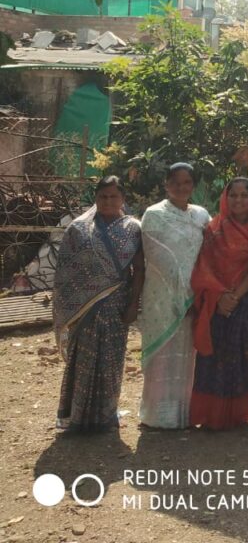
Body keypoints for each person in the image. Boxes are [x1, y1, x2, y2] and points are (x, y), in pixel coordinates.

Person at [53, 176, 144, 433]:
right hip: (84, 309)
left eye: (114, 196)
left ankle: (105, 415)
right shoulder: (79, 229)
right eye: (103, 196)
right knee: (82, 359)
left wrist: (133, 304)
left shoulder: (133, 229)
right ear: (96, 198)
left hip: (117, 305)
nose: (108, 201)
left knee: (111, 360)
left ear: (123, 199)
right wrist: (71, 305)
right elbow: (65, 272)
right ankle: (76, 417)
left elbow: (139, 269)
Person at [190, 178, 248, 430]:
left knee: (241, 355)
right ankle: (210, 413)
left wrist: (235, 296)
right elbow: (205, 264)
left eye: (244, 195)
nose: (238, 200)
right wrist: (221, 295)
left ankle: (236, 414)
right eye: (233, 195)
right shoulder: (215, 227)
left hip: (245, 300)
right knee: (213, 355)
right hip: (216, 298)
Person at [137, 162, 210, 429]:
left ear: (193, 185)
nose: (181, 187)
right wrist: (182, 295)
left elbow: (207, 254)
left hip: (194, 297)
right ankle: (157, 416)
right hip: (162, 296)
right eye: (175, 182)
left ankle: (182, 414)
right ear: (166, 185)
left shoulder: (201, 216)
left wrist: (196, 295)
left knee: (186, 355)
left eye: (187, 182)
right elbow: (158, 257)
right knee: (161, 354)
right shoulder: (154, 215)